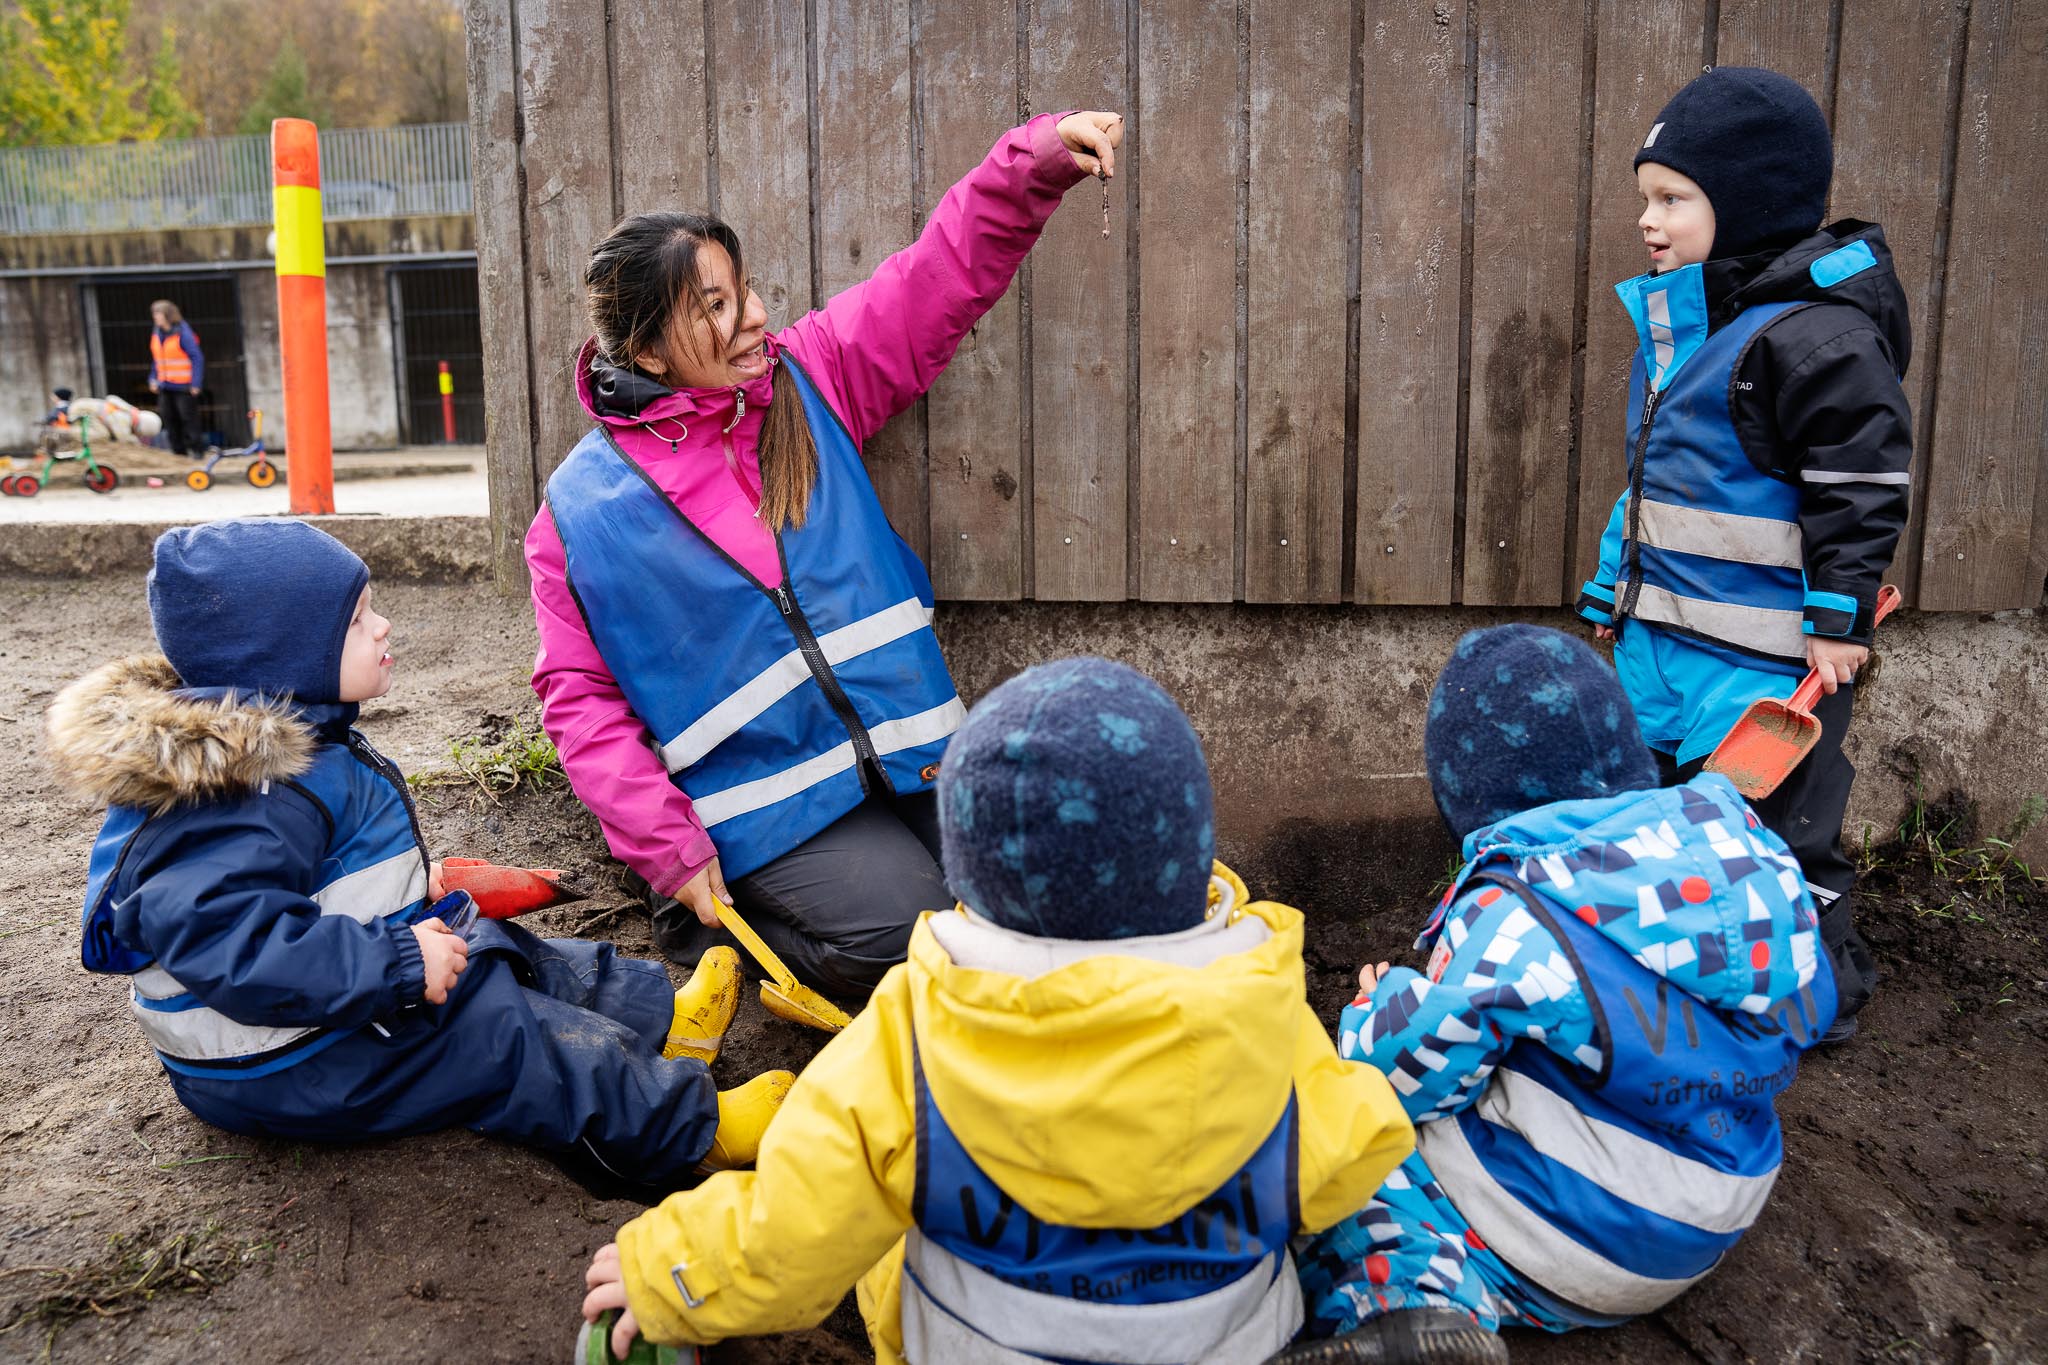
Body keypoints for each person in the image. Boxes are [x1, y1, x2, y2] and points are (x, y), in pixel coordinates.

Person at [575, 657, 1416, 1365]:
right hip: (1232, 1346)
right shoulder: (1261, 1007)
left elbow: (792, 1228)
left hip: (975, 1342)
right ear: (1192, 860)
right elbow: (1356, 1145)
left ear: (967, 874)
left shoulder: (917, 1029)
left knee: (883, 1210)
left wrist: (672, 1269)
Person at [527, 110, 1125, 999]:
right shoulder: (577, 517)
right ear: (649, 348)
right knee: (916, 949)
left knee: (1026, 904)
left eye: (746, 290)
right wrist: (669, 849)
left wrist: (1031, 164)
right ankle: (715, 937)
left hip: (911, 746)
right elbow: (580, 705)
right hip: (770, 811)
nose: (756, 316)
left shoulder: (809, 379)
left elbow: (934, 279)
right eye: (715, 307)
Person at [46, 519, 791, 1189]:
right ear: (286, 654)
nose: (383, 625)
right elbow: (231, 944)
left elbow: (309, 884)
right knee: (503, 1038)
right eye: (359, 617)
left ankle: (664, 1016)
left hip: (320, 996)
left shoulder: (291, 742)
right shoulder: (240, 795)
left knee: (497, 944)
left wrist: (406, 899)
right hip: (280, 1056)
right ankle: (690, 1131)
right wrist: (399, 961)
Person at [1283, 626, 1835, 1363]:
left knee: (1351, 1170)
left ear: (1473, 799)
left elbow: (1405, 1075)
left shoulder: (1513, 916)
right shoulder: (1752, 859)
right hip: (1718, 1205)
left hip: (1581, 1239)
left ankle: (1414, 1302)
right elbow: (1815, 997)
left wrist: (1378, 1011)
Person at [1575, 67, 1911, 1039]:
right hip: (1661, 640)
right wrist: (1610, 589)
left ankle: (1819, 989)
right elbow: (1654, 484)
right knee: (1657, 816)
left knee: (1770, 836)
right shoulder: (1684, 327)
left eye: (1673, 198)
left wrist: (1839, 618)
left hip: (1763, 662)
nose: (1649, 220)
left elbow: (1859, 487)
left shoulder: (1815, 343)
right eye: (1645, 197)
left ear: (1751, 204)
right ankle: (1682, 969)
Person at [148, 300, 205, 458]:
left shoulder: (182, 332)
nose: (155, 318)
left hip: (183, 386)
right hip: (164, 385)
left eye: (158, 314)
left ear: (168, 315)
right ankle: (179, 453)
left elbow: (197, 358)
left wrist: (196, 383)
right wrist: (153, 378)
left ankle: (197, 450)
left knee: (188, 418)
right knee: (169, 419)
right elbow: (157, 359)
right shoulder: (157, 333)